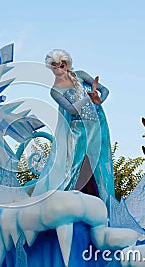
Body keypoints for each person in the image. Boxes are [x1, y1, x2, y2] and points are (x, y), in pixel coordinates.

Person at [31, 49, 115, 204]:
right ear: (51, 67)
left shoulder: (81, 75)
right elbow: (71, 109)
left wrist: (98, 99)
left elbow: (105, 90)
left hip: (98, 124)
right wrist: (87, 99)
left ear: (67, 64)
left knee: (101, 164)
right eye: (55, 66)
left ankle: (106, 204)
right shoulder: (55, 91)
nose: (59, 69)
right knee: (73, 164)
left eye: (61, 65)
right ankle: (63, 203)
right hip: (78, 128)